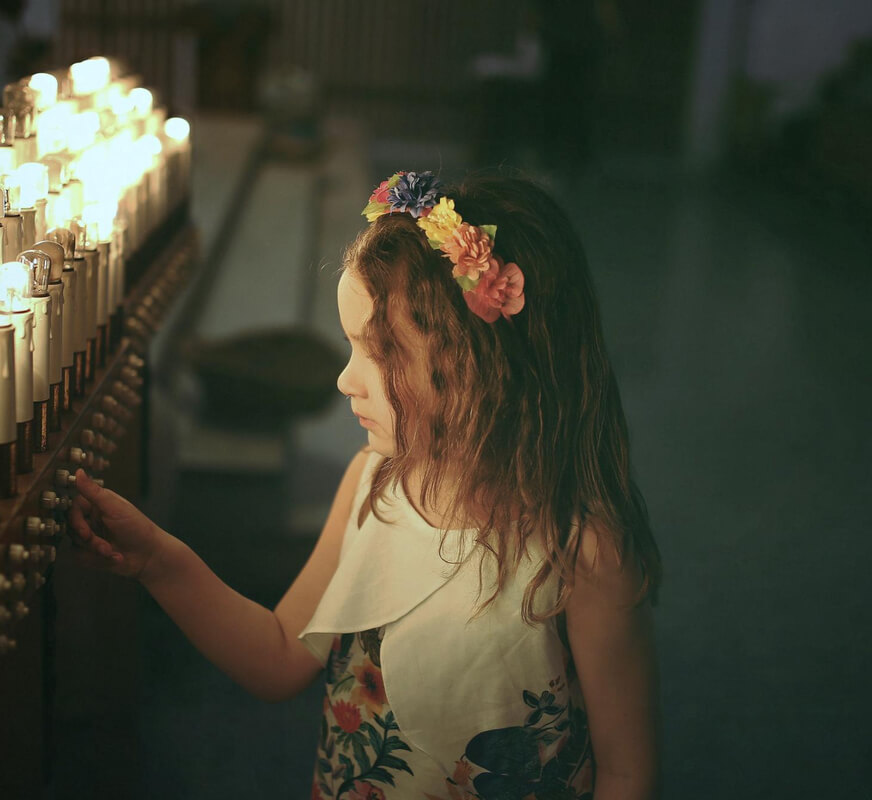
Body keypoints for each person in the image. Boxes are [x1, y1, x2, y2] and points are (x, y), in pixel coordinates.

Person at [70, 170, 662, 799]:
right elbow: (279, 656)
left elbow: (627, 773)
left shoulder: (583, 551)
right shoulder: (372, 484)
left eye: (381, 352)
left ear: (482, 361)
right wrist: (160, 562)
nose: (346, 379)